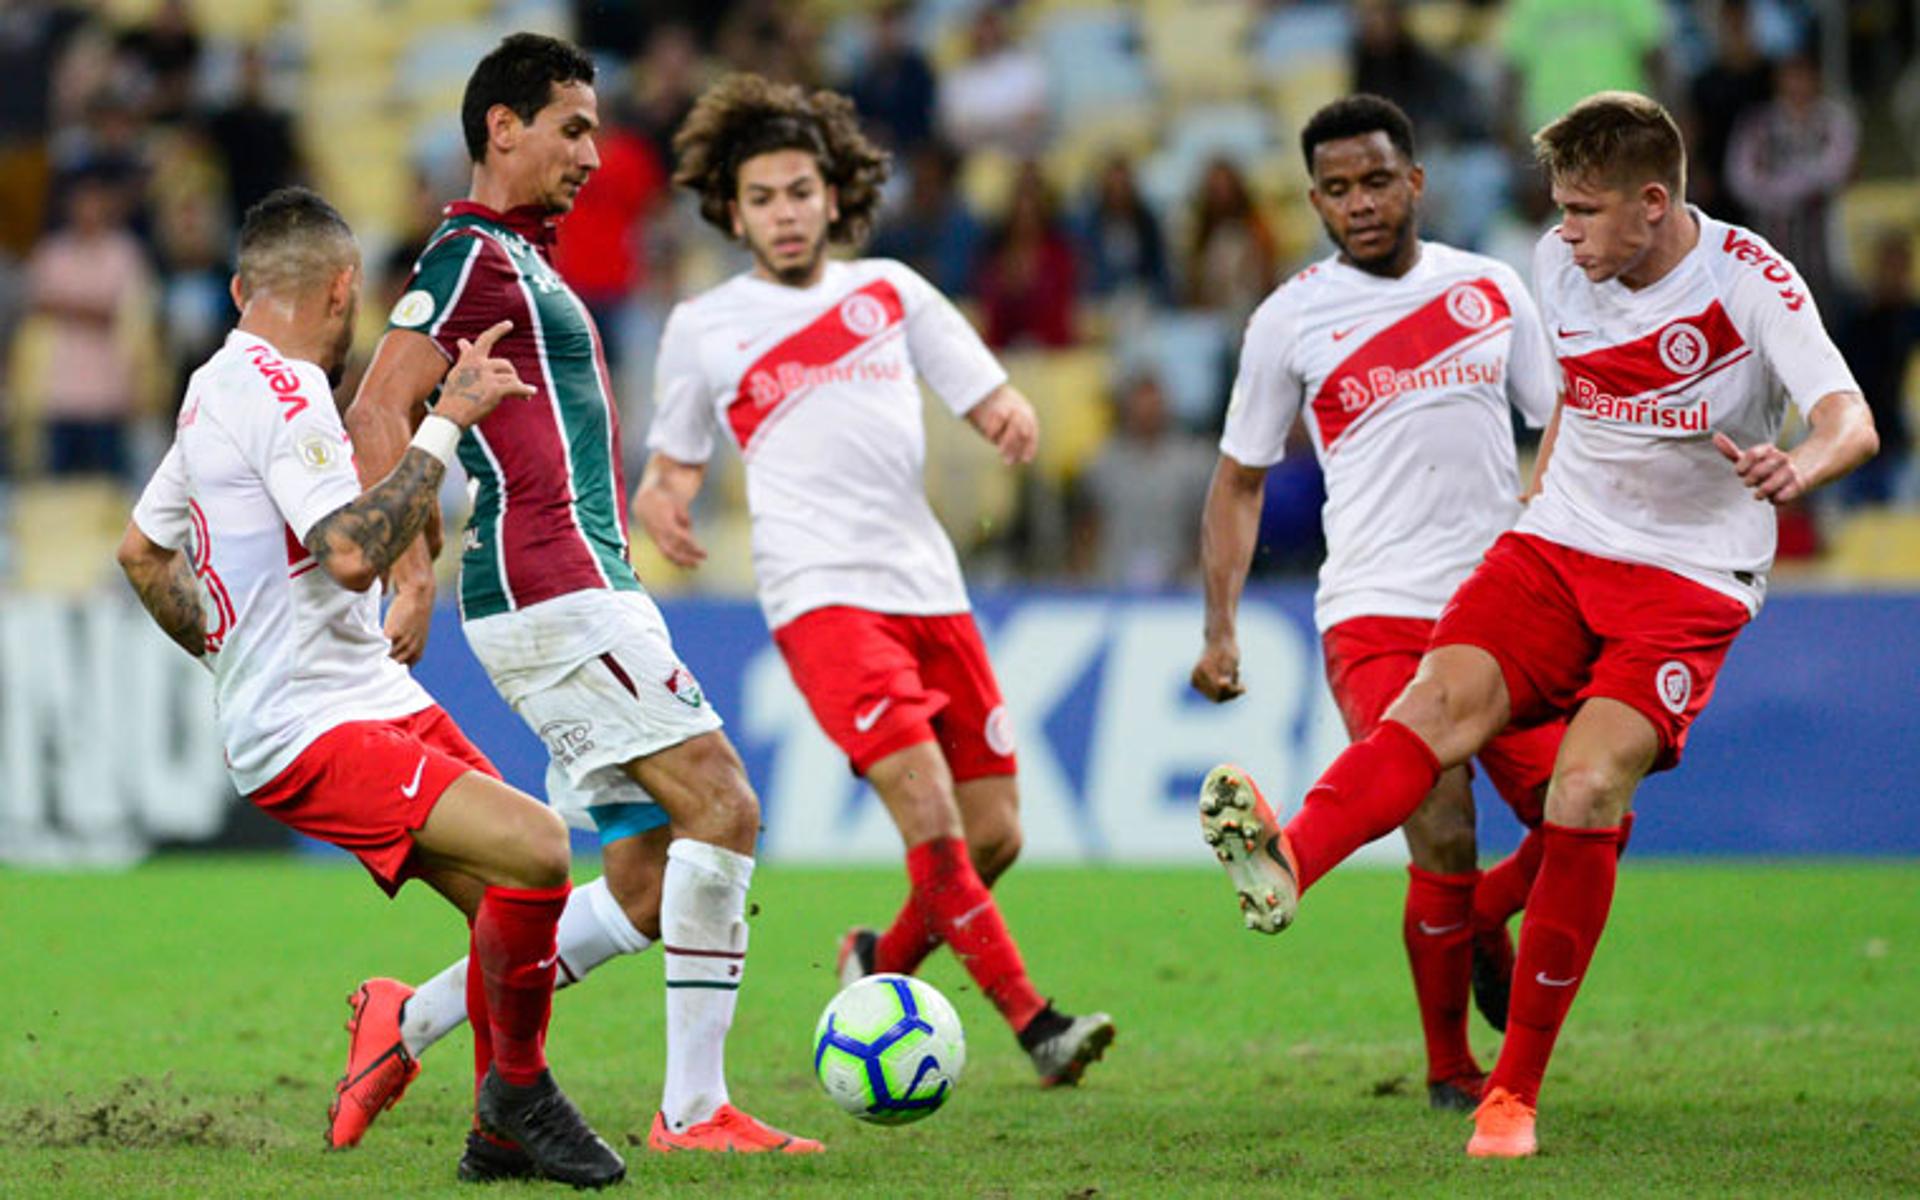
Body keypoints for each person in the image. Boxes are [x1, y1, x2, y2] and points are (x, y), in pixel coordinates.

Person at [1198, 91, 1876, 1159]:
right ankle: (1288, 859)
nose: (1562, 231)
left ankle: (1512, 1092)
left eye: (1584, 210)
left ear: (1653, 204)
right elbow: (1571, 393)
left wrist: (1802, 463)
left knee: (1587, 789)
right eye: (1557, 207)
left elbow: (1851, 418)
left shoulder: (1750, 282)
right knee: (1432, 712)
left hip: (1688, 577)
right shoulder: (1558, 264)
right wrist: (1545, 496)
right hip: (1553, 550)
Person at [327, 34, 822, 1157]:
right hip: (554, 591)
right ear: (502, 127)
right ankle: (695, 1112)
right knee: (726, 808)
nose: (594, 153)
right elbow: (375, 413)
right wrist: (410, 568)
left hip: (586, 587)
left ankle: (405, 1018)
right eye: (574, 127)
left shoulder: (525, 257)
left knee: (645, 885)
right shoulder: (464, 260)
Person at [115, 186, 623, 1188]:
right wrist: (446, 425)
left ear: (238, 288)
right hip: (311, 725)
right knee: (538, 846)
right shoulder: (288, 391)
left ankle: (484, 1111)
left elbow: (140, 552)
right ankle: (517, 1096)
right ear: (347, 290)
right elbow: (350, 553)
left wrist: (233, 655)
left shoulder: (214, 384)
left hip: (358, 698)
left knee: (517, 911)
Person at [636, 72, 1115, 1086]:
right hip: (822, 600)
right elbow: (671, 468)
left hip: (930, 589)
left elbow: (987, 392)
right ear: (732, 209)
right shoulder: (704, 326)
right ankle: (1038, 1027)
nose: (784, 212)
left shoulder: (889, 293)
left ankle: (876, 964)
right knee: (932, 817)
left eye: (800, 190)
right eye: (762, 197)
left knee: (994, 837)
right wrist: (664, 503)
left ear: (832, 193)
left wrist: (1009, 416)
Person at [1190, 93, 1576, 1110]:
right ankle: (1452, 1069)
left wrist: (1552, 507)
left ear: (1415, 182)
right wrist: (1220, 627)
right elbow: (1238, 479)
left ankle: (1483, 917)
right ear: (1314, 200)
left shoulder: (1490, 288)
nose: (1359, 204)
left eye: (1375, 181)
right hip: (1374, 607)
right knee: (1439, 821)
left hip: (1503, 602)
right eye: (1336, 189)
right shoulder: (1289, 320)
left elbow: (1563, 418)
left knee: (1588, 810)